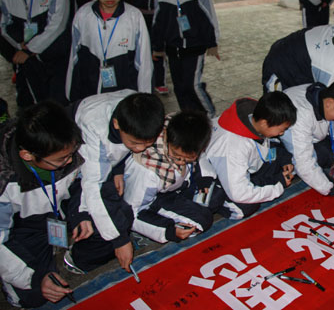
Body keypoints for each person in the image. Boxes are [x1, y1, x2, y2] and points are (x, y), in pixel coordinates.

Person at [0, 101, 91, 307]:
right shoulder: (5, 181)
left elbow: (81, 183)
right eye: (61, 159)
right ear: (27, 156)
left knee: (107, 223)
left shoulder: (64, 146)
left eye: (72, 154)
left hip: (55, 213)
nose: (70, 161)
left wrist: (80, 213)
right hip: (19, 229)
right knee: (36, 294)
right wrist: (32, 278)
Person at [66, 90, 164, 275]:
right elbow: (93, 185)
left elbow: (116, 149)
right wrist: (120, 239)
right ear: (117, 124)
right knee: (110, 218)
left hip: (100, 164)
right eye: (134, 143)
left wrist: (117, 169)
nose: (140, 148)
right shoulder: (92, 126)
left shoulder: (138, 107)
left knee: (125, 200)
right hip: (73, 171)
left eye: (147, 143)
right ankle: (79, 260)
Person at [123, 110, 216, 243]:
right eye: (176, 156)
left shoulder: (179, 131)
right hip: (154, 200)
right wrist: (168, 232)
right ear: (166, 136)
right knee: (203, 219)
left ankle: (185, 208)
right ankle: (155, 227)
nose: (181, 162)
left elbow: (201, 157)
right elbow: (131, 211)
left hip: (180, 184)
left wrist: (203, 179)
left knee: (217, 195)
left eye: (188, 158)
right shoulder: (148, 171)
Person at [66, 0, 153, 101]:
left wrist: (145, 99)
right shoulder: (83, 15)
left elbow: (144, 63)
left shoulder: (134, 17)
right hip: (90, 94)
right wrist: (72, 97)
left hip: (125, 96)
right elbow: (74, 59)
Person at [151, 0, 220, 116]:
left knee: (193, 85)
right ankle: (190, 119)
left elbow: (209, 14)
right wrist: (157, 46)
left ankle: (210, 116)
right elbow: (158, 18)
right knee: (180, 88)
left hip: (195, 45)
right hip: (172, 46)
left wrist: (212, 42)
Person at [206, 91, 297, 220]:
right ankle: (221, 201)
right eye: (281, 129)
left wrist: (284, 159)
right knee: (246, 206)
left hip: (244, 165)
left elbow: (267, 145)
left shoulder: (255, 116)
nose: (282, 133)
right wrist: (278, 187)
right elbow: (239, 193)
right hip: (217, 178)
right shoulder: (234, 147)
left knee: (278, 164)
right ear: (264, 123)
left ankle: (263, 181)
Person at [0, 0, 70, 108]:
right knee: (30, 102)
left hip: (54, 56)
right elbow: (5, 24)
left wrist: (31, 49)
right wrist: (19, 45)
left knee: (56, 103)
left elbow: (57, 25)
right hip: (26, 58)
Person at [280, 79, 334, 202]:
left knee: (333, 151)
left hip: (310, 138)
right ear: (329, 103)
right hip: (283, 145)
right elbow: (303, 162)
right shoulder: (300, 116)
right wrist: (332, 190)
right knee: (319, 156)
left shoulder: (325, 97)